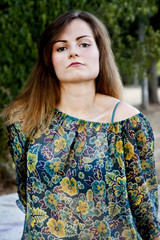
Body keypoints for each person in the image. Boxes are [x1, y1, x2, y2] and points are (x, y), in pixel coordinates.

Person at [1, 11, 160, 240]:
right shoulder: (24, 120)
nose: (73, 51)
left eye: (84, 44)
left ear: (100, 52)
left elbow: (146, 212)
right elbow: (28, 194)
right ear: (49, 59)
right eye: (61, 47)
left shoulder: (128, 123)